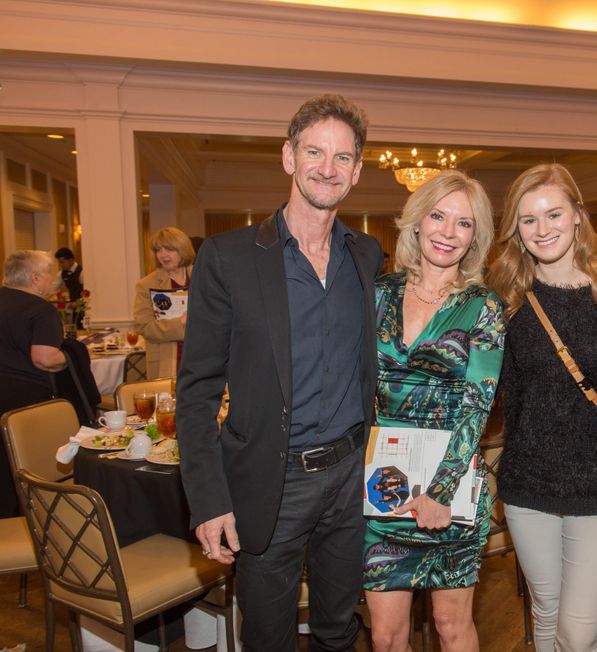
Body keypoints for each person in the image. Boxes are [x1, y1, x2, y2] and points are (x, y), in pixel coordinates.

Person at [177, 94, 383, 652]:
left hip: (348, 477)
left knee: (339, 628)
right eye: (315, 152)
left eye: (343, 158)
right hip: (270, 481)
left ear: (357, 172)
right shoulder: (229, 258)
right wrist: (208, 497)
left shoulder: (367, 256)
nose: (327, 167)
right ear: (289, 157)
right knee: (267, 637)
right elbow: (195, 392)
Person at [487, 163, 597, 651]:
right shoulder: (505, 299)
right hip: (529, 482)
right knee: (546, 614)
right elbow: (491, 391)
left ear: (577, 215)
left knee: (578, 631)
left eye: (553, 213)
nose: (542, 228)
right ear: (516, 229)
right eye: (528, 220)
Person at [364, 169, 504, 652]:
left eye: (463, 223)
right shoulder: (378, 294)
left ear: (475, 237)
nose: (448, 231)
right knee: (384, 636)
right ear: (416, 223)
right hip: (383, 485)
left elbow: (478, 403)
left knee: (450, 626)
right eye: (438, 216)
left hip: (453, 484)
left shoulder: (482, 306)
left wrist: (440, 491)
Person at [0, 250, 66, 516]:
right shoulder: (39, 309)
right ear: (36, 278)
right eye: (50, 273)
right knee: (26, 465)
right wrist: (68, 357)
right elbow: (44, 359)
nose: (52, 280)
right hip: (24, 400)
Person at [133, 227, 195, 379]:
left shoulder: (202, 276)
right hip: (167, 362)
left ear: (183, 250)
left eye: (169, 249)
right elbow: (144, 327)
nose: (163, 255)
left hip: (202, 357)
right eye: (158, 250)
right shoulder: (146, 284)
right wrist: (180, 323)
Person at [55, 247, 85, 328]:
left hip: (84, 309)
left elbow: (88, 294)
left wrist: (78, 303)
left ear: (71, 260)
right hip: (73, 308)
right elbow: (54, 289)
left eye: (62, 262)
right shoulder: (61, 274)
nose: (61, 265)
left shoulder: (82, 272)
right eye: (59, 262)